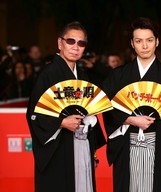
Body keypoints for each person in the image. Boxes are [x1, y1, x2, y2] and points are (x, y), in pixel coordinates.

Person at [102, 17, 161, 192]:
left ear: (157, 42)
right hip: (127, 145)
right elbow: (106, 107)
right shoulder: (118, 76)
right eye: (139, 41)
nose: (144, 46)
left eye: (149, 40)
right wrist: (130, 120)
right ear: (132, 44)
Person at [26, 21, 106, 192]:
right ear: (59, 43)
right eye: (70, 41)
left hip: (83, 144)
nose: (75, 47)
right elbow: (34, 114)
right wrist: (61, 123)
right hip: (59, 149)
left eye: (81, 43)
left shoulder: (83, 74)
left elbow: (90, 108)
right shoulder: (48, 75)